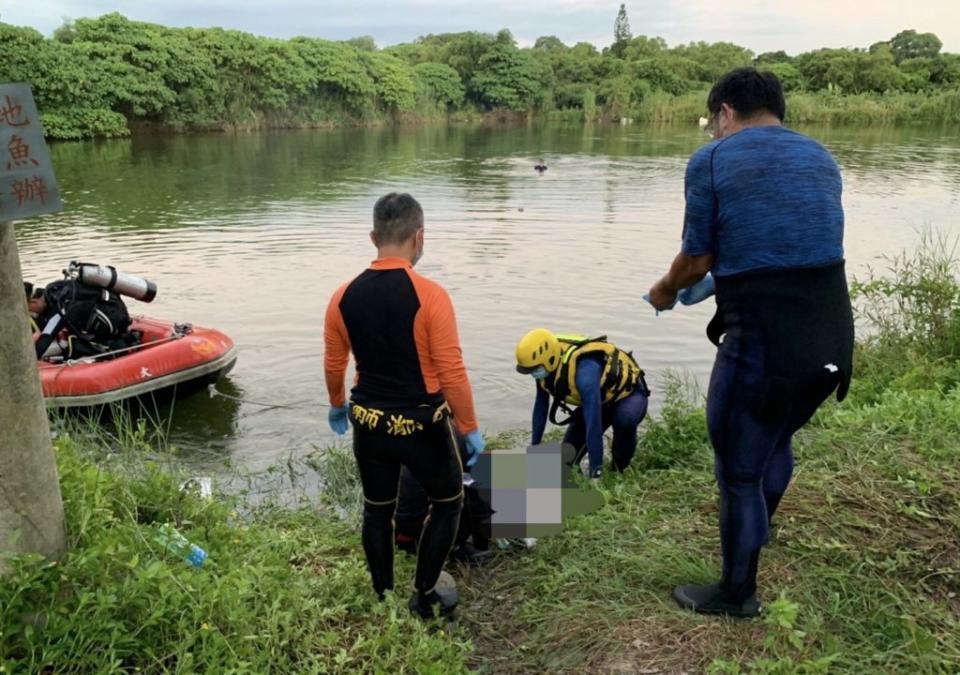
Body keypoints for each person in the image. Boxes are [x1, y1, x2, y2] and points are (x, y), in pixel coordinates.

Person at [646, 68, 854, 618]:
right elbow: (789, 246)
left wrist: (665, 291)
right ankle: (755, 537)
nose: (713, 131)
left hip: (763, 341)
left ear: (725, 113)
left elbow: (695, 262)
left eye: (714, 121)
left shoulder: (711, 160)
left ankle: (737, 593)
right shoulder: (822, 157)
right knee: (776, 435)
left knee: (738, 471)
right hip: (832, 334)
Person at [323, 192, 485, 619]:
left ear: (374, 236)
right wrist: (468, 428)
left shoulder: (342, 296)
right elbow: (451, 371)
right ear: (419, 238)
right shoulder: (430, 295)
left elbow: (334, 361)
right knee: (448, 501)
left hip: (369, 423)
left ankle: (382, 595)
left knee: (377, 510)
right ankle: (425, 593)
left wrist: (337, 404)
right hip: (422, 426)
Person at [515, 329, 649, 479]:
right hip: (600, 399)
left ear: (550, 358)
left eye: (535, 370)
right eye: (530, 371)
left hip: (629, 396)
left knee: (624, 420)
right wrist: (534, 448)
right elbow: (541, 406)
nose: (534, 374)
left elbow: (593, 426)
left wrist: (595, 474)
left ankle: (619, 471)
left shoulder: (585, 374)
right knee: (566, 463)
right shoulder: (545, 367)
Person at [25, 277, 132, 359]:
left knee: (75, 345)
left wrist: (31, 359)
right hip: (116, 310)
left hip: (113, 319)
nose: (31, 313)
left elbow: (47, 336)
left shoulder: (60, 304)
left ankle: (114, 349)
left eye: (29, 309)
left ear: (34, 301)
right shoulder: (53, 289)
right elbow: (44, 324)